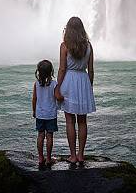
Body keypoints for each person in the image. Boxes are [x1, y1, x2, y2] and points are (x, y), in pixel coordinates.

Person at [55, 16, 96, 167]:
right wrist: (89, 88)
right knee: (83, 121)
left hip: (69, 82)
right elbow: (91, 70)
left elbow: (62, 69)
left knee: (70, 120)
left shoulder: (64, 45)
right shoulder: (89, 46)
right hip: (83, 80)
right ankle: (81, 155)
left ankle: (72, 155)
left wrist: (57, 87)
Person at [32, 59, 59, 169]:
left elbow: (34, 99)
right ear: (51, 71)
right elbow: (57, 97)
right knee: (49, 136)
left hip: (40, 114)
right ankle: (48, 159)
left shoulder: (36, 84)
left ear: (38, 72)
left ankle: (40, 158)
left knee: (40, 135)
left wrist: (34, 111)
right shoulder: (54, 84)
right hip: (51, 114)